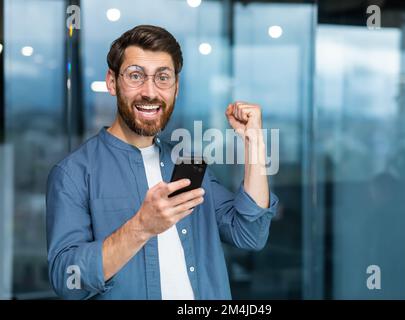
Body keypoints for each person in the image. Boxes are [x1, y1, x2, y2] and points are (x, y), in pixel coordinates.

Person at [46, 25, 279, 300]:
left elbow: (249, 232)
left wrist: (254, 143)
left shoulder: (189, 165)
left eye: (163, 78)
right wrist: (141, 227)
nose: (150, 92)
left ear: (176, 88)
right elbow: (67, 280)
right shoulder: (73, 174)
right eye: (136, 76)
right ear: (112, 82)